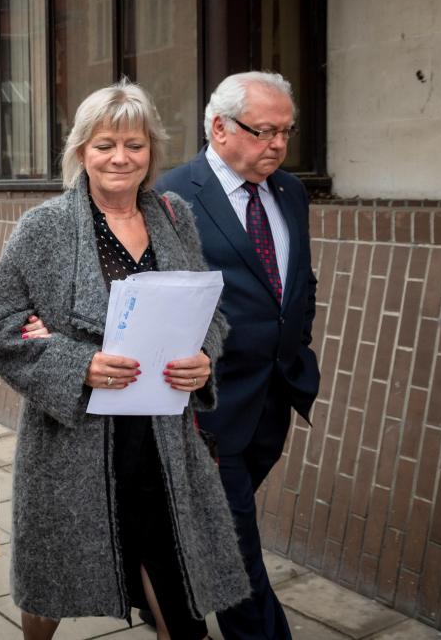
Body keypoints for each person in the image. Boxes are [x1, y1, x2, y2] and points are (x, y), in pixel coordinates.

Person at [0, 79, 249, 640]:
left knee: (170, 566)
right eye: (104, 145)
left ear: (152, 151)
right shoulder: (45, 227)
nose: (120, 158)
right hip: (73, 440)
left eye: (134, 144)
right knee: (53, 578)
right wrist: (77, 365)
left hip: (163, 435)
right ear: (81, 151)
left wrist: (203, 357)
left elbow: (209, 312)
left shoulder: (174, 215)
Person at [156, 71, 320, 640]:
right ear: (219, 127)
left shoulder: (290, 191)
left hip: (274, 395)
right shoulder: (173, 195)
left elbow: (299, 279)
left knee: (216, 528)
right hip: (206, 409)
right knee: (234, 551)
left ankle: (171, 594)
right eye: (264, 131)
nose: (277, 144)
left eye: (286, 133)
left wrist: (296, 340)